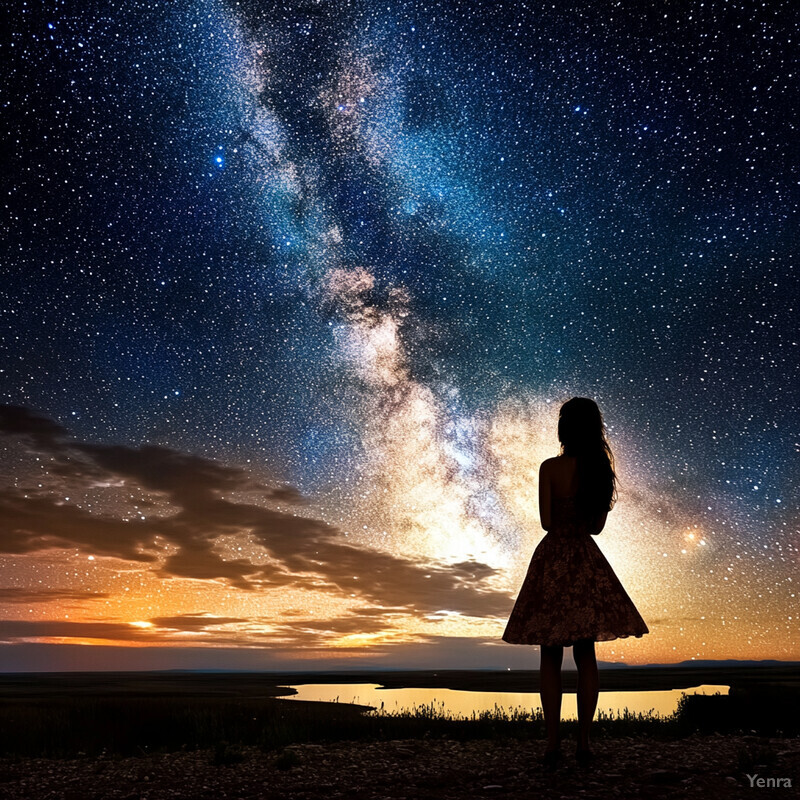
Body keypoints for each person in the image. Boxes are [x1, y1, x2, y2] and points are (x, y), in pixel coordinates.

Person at [502, 397, 649, 770]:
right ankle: (584, 743)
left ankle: (553, 744)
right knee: (587, 655)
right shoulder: (599, 470)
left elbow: (547, 523)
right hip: (585, 560)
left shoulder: (550, 467)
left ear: (563, 428)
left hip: (552, 561)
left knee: (549, 655)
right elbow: (597, 527)